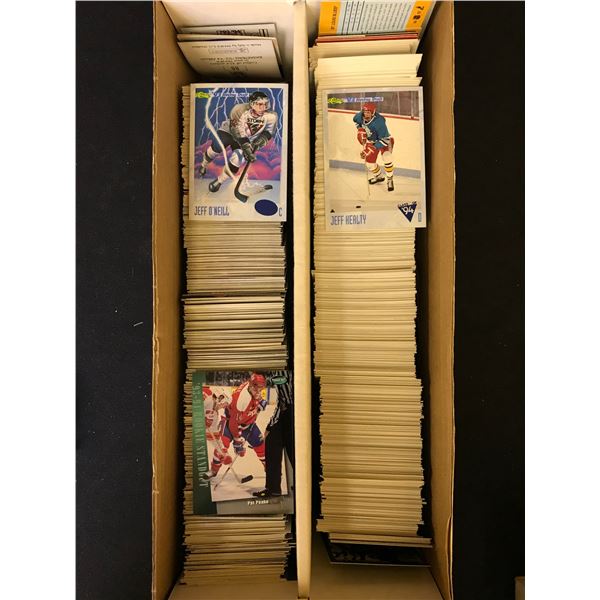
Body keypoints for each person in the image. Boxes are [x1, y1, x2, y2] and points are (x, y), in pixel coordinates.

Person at [198, 91, 278, 193]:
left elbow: (269, 132)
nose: (263, 107)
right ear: (252, 104)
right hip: (229, 132)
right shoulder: (239, 109)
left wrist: (260, 141)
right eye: (260, 104)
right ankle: (204, 164)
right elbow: (236, 130)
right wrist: (246, 147)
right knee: (217, 147)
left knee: (237, 160)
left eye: (266, 104)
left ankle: (219, 181)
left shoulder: (271, 116)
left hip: (246, 140)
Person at [203, 372, 268, 480]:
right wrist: (237, 442)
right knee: (222, 446)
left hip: (248, 423)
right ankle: (214, 470)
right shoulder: (242, 399)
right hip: (230, 422)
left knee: (261, 446)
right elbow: (233, 424)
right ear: (251, 384)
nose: (258, 391)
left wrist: (260, 401)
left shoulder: (252, 387)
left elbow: (257, 395)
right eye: (256, 388)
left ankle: (269, 469)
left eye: (260, 388)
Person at [252, 370, 294, 499]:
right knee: (271, 443)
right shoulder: (276, 372)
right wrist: (271, 425)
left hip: (297, 412)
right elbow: (282, 401)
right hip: (284, 412)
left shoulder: (285, 370)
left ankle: (304, 484)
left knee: (295, 452)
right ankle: (273, 489)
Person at [353, 102, 395, 192]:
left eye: (368, 112)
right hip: (372, 141)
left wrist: (369, 149)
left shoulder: (379, 122)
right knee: (369, 164)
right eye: (365, 112)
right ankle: (379, 176)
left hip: (385, 141)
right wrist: (360, 130)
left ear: (373, 113)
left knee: (387, 157)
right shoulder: (359, 116)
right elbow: (356, 121)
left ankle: (390, 179)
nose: (366, 114)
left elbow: (385, 140)